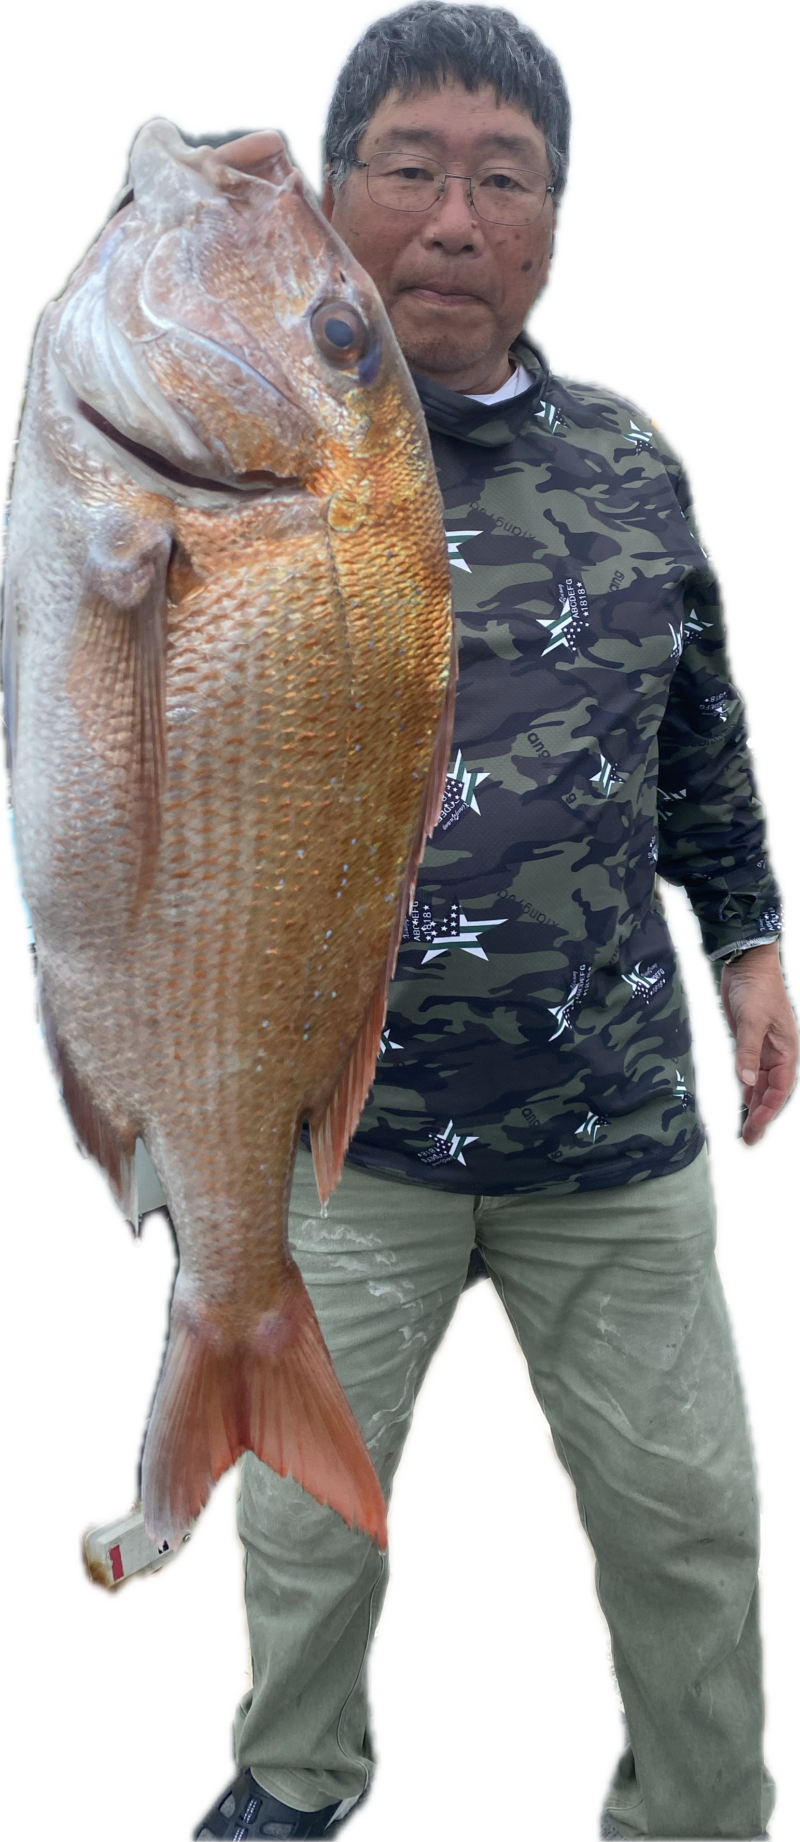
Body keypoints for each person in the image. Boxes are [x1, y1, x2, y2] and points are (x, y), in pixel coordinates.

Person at [184, 6, 795, 1839]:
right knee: (304, 1515)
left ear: (554, 221)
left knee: (692, 1516)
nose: (454, 218)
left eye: (504, 179)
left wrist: (751, 945)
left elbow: (702, 734)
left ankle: (702, 1808)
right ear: (332, 193)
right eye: (410, 168)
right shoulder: (240, 455)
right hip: (341, 1123)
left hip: (611, 1121)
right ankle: (296, 1776)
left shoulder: (635, 457)